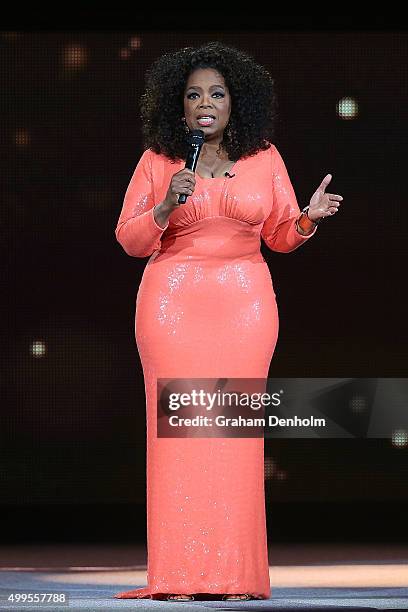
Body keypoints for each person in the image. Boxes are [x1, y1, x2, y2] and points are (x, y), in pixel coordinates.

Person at [113, 41, 343, 602]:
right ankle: (178, 575)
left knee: (233, 433)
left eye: (216, 93)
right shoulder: (158, 160)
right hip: (172, 303)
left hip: (244, 303)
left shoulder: (265, 158)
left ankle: (234, 575)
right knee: (177, 433)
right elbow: (129, 238)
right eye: (193, 95)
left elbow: (281, 236)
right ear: (179, 106)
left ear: (237, 103)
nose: (205, 103)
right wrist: (165, 206)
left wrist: (308, 220)